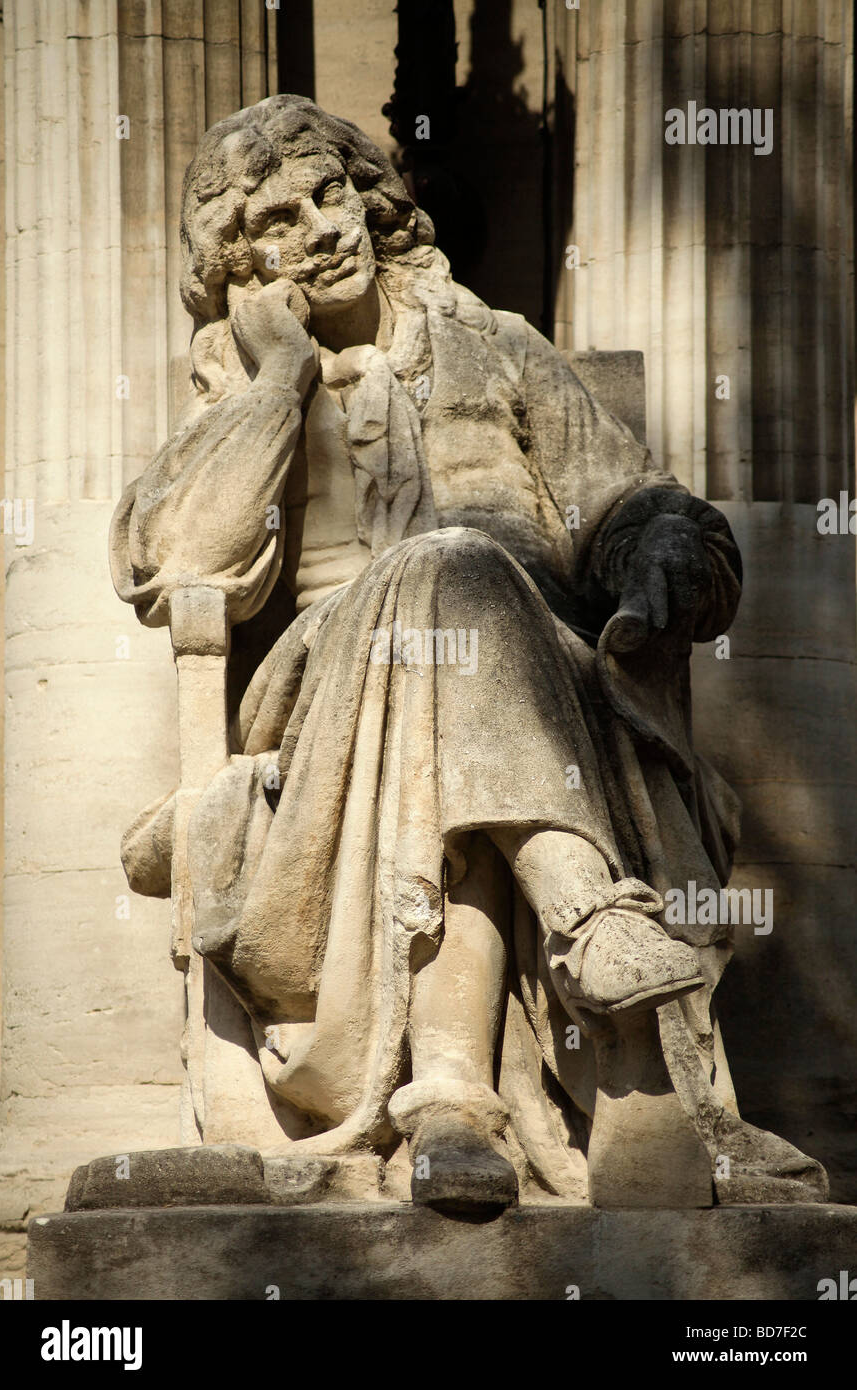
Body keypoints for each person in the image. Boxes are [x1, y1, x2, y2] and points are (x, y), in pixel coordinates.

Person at [110, 95, 825, 1212]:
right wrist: (279, 383)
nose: (323, 229)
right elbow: (180, 564)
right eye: (280, 225)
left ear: (369, 195)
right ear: (245, 271)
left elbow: (631, 500)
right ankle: (588, 913)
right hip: (330, 705)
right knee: (452, 568)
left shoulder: (493, 345)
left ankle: (449, 1100)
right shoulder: (240, 390)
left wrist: (665, 547)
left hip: (534, 692)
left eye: (330, 194)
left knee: (466, 606)